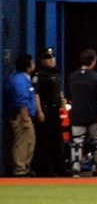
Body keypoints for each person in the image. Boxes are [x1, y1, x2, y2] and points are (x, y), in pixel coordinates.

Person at [67, 50, 97, 177]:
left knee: (77, 142)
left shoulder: (72, 76)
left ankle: (75, 169)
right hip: (93, 115)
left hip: (77, 114)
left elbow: (69, 98)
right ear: (93, 61)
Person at [33, 47, 68, 176]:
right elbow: (36, 94)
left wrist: (62, 100)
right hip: (45, 110)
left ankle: (60, 168)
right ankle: (46, 170)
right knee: (45, 142)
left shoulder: (56, 72)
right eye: (48, 58)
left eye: (52, 57)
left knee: (58, 141)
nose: (52, 60)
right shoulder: (39, 75)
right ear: (42, 60)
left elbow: (58, 90)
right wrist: (40, 112)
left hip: (55, 110)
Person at [4, 54, 37, 176]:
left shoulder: (24, 78)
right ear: (27, 67)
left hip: (26, 115)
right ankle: (19, 169)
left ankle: (25, 167)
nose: (34, 64)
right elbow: (21, 101)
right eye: (32, 63)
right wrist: (25, 119)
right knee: (22, 143)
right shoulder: (19, 80)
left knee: (30, 142)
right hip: (20, 116)